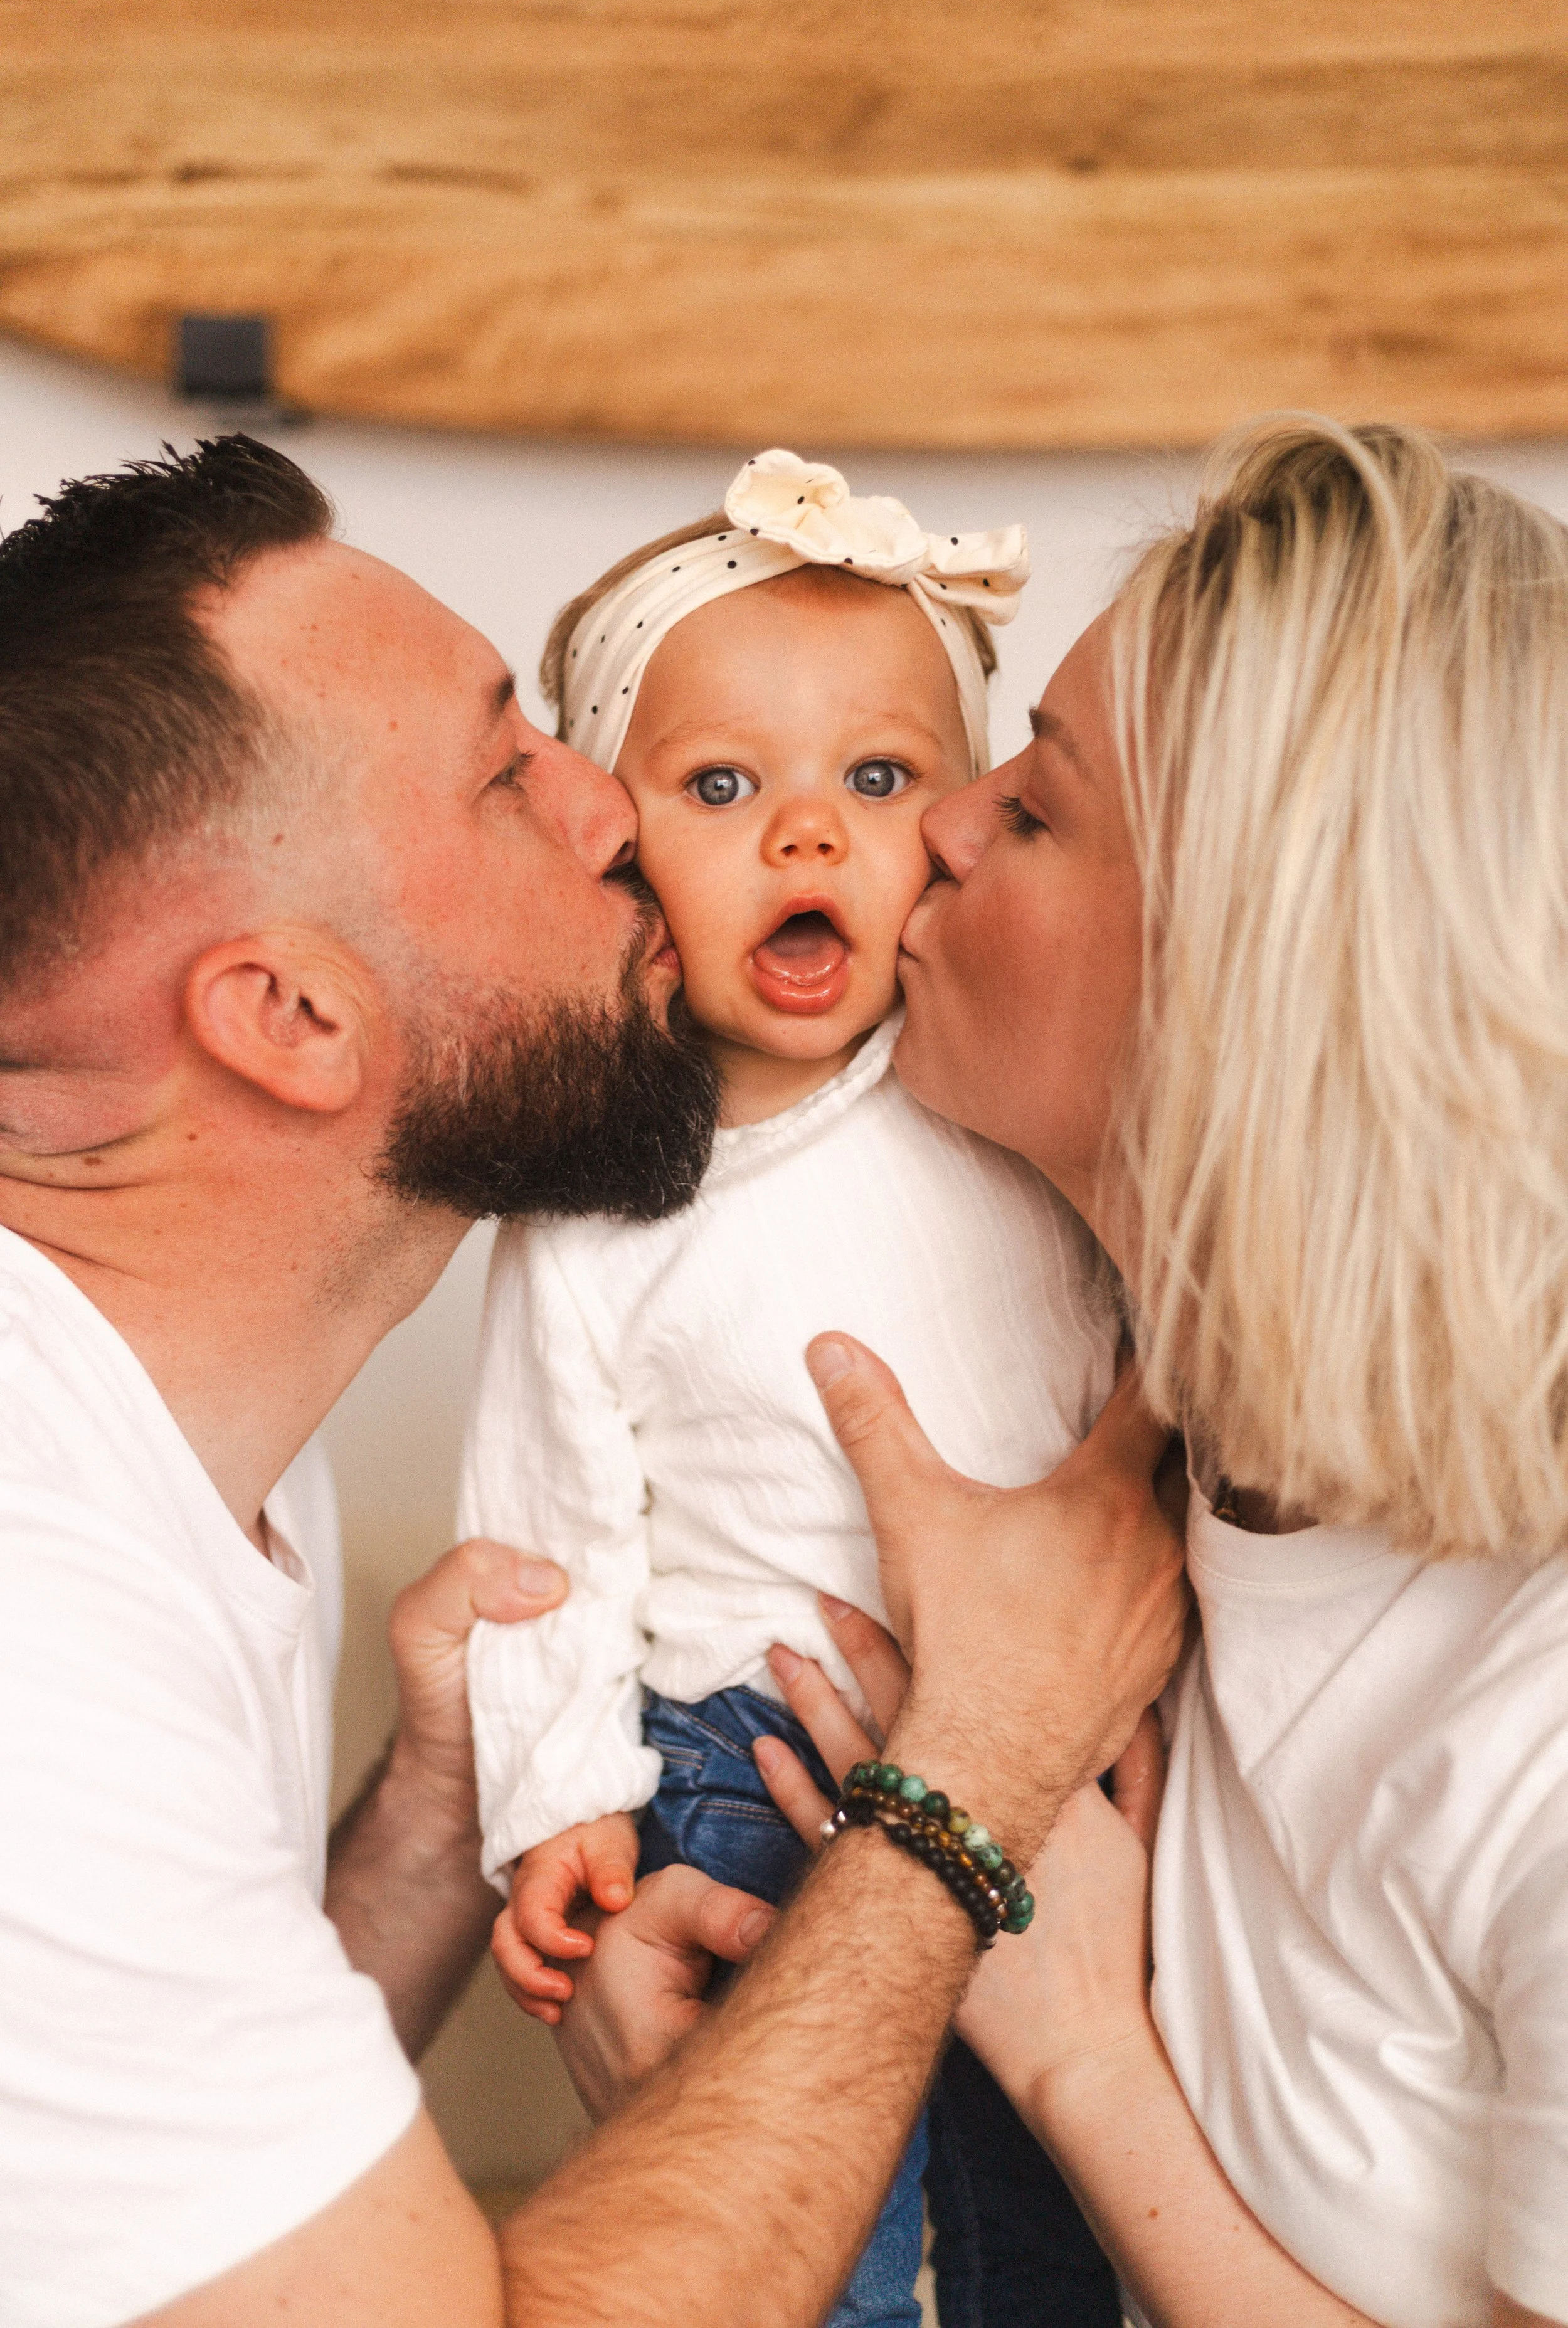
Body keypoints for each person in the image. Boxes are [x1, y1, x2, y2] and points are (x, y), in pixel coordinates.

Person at [0, 434, 1186, 2327]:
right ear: (288, 1016)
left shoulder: (185, 1426)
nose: (610, 808)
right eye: (508, 770)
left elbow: (167, 2208)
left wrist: (436, 1818)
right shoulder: (34, 1636)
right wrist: (967, 1773)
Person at [754, 418, 1568, 2328]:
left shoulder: (1535, 1721)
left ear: (1251, 977)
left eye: (1033, 808)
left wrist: (1071, 2046)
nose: (938, 824)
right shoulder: (1148, 1489)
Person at [462, 451, 1121, 2326]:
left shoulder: (1003, 1110)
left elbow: (1117, 1416)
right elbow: (545, 1536)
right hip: (741, 1770)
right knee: (804, 2225)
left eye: (881, 778)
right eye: (726, 786)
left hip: (1035, 1743)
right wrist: (555, 1797)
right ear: (622, 842)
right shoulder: (604, 1200)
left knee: (1040, 2217)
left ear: (963, 824)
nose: (810, 837)